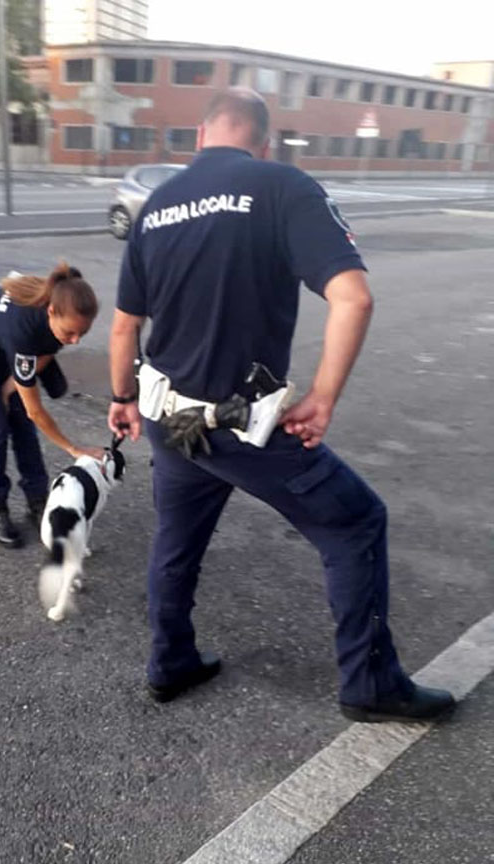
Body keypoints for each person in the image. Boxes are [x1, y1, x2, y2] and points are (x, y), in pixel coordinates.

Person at [107, 90, 455, 723]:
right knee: (355, 522)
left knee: (175, 543)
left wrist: (122, 400)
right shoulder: (280, 185)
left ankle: (170, 661)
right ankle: (371, 682)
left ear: (198, 137)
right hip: (239, 422)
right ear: (262, 141)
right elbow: (354, 299)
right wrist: (322, 396)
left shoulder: (156, 206)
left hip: (167, 418)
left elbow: (125, 326)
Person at [0, 262, 104, 547]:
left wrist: (8, 387)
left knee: (21, 422)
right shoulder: (25, 328)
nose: (75, 341)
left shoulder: (59, 310)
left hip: (2, 343)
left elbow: (45, 352)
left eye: (82, 334)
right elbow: (36, 410)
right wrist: (73, 448)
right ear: (51, 312)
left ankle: (37, 499)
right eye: (70, 334)